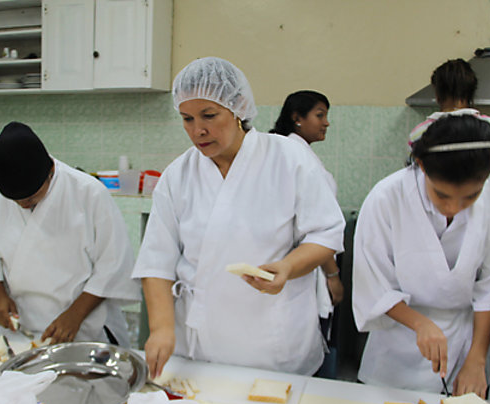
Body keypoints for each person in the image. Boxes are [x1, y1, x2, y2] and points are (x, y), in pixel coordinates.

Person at [133, 57, 345, 378]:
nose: (197, 130)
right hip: (200, 343)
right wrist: (161, 328)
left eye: (209, 115)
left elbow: (325, 234)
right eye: (187, 119)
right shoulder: (179, 175)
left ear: (239, 107)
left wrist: (288, 267)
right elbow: (156, 260)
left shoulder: (287, 157)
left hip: (271, 341)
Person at [353, 114, 490, 397]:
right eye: (442, 195)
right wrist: (419, 323)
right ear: (421, 166)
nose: (454, 207)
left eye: (471, 196)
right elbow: (374, 284)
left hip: (469, 337)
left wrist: (477, 358)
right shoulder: (387, 198)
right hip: (398, 337)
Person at [0, 121, 140, 346]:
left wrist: (75, 315)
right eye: (14, 200)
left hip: (87, 326)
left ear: (51, 171)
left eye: (30, 199)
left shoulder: (87, 193)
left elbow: (113, 265)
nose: (23, 206)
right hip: (25, 327)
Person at [271, 90, 343, 377]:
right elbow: (313, 230)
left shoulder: (294, 152)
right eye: (320, 115)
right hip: (301, 266)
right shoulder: (294, 155)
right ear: (296, 118)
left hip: (296, 268)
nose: (326, 123)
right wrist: (332, 275)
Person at [408, 58, 490, 193]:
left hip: (436, 210)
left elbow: (416, 185)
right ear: (471, 93)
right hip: (481, 208)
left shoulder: (419, 133)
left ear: (437, 94)